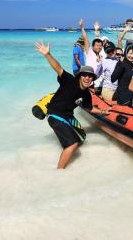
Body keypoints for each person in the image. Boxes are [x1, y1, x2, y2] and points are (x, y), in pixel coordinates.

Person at [34, 41, 109, 169]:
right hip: (54, 115)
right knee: (72, 145)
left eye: (90, 77)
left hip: (68, 116)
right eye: (84, 75)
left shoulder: (86, 94)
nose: (87, 78)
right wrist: (48, 54)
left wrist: (103, 112)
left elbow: (90, 108)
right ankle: (59, 172)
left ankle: (66, 147)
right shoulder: (69, 80)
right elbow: (58, 68)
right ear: (80, 76)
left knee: (81, 138)